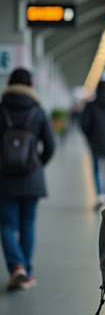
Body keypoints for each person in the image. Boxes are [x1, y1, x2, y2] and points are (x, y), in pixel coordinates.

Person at [0, 68, 55, 290]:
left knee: (7, 224)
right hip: (32, 178)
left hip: (4, 178)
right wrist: (37, 164)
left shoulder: (1, 109)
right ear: (31, 86)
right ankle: (27, 273)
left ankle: (17, 267)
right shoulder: (38, 111)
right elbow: (50, 145)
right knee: (27, 223)